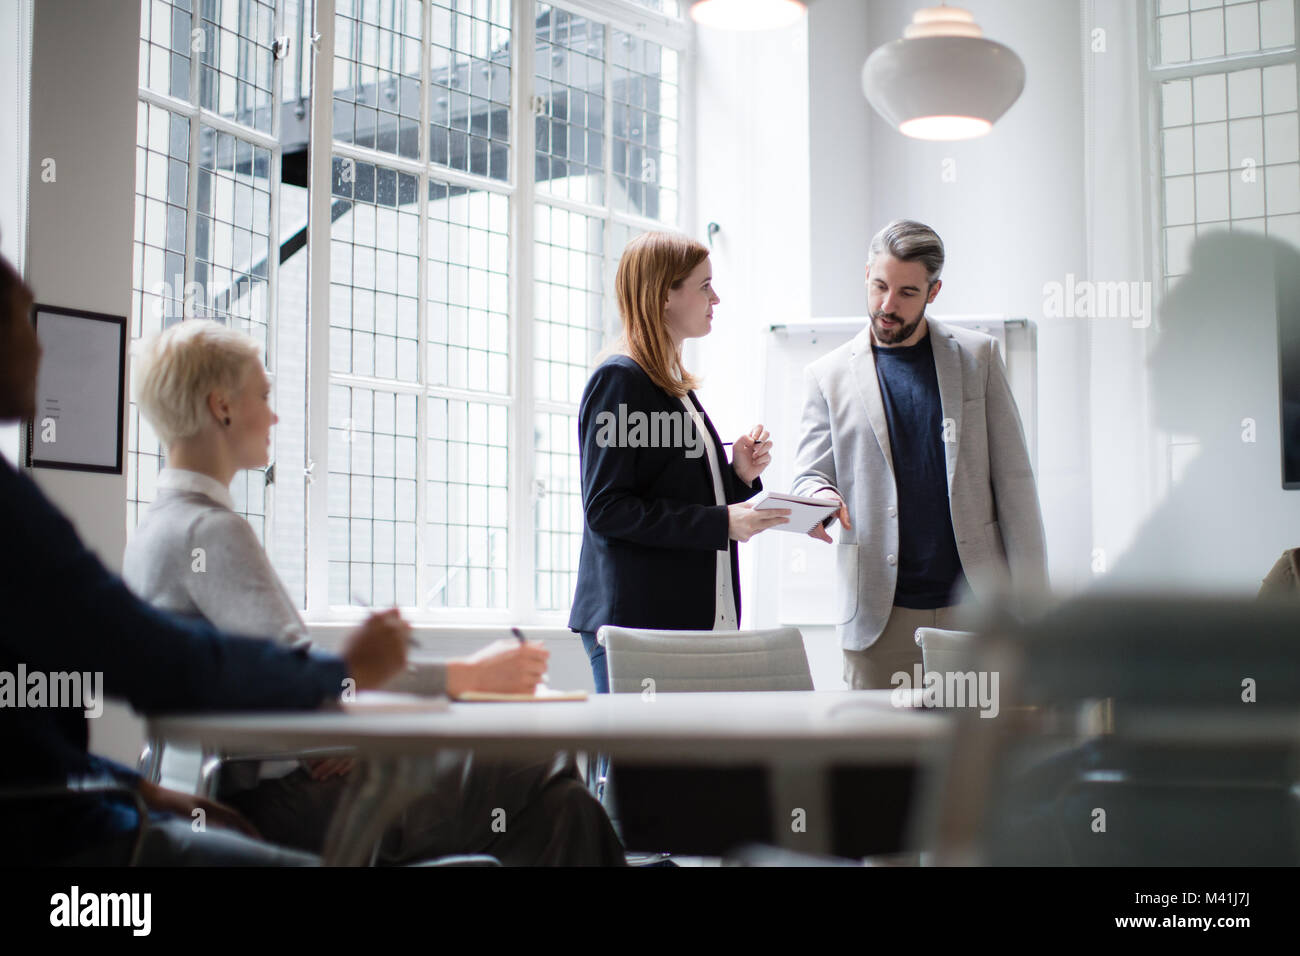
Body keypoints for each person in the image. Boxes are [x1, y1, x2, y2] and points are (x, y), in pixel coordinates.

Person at [122, 319, 625, 866]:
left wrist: (342, 729)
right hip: (285, 807)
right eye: (263, 395)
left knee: (565, 811)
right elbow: (309, 684)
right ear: (221, 406)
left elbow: (292, 684)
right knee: (545, 761)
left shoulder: (157, 529)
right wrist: (467, 678)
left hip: (250, 790)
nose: (274, 414)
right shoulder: (211, 532)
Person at [0, 254, 411, 865]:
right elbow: (152, 659)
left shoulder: (150, 527)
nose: (40, 348)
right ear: (221, 407)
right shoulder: (197, 530)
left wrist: (142, 789)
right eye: (20, 322)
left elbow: (22, 738)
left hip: (109, 806)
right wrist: (339, 674)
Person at [791, 219, 1048, 690]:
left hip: (976, 613)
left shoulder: (979, 358)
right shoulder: (825, 376)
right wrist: (819, 497)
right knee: (876, 762)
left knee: (976, 762)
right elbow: (808, 476)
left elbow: (1015, 483)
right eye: (879, 286)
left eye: (907, 293)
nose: (887, 306)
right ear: (866, 274)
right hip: (876, 620)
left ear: (934, 291)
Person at [568, 231, 788, 693]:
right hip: (636, 627)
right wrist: (722, 523)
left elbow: (679, 495)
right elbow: (607, 509)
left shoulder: (673, 387)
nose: (717, 298)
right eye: (704, 285)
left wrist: (738, 476)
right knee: (638, 768)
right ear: (665, 295)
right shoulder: (620, 380)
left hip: (678, 625)